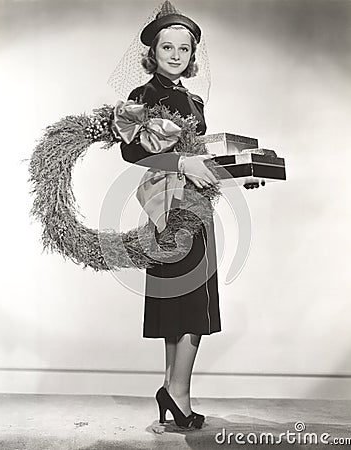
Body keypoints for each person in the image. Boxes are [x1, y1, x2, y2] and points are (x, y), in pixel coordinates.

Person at [118, 2, 221, 430]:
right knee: (187, 303)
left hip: (197, 207)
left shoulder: (193, 99)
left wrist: (226, 171)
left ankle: (170, 389)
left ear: (192, 56)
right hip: (167, 210)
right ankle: (178, 393)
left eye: (184, 48)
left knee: (190, 301)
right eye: (168, 47)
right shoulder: (142, 97)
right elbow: (131, 151)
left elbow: (197, 154)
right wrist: (181, 165)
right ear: (153, 52)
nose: (176, 55)